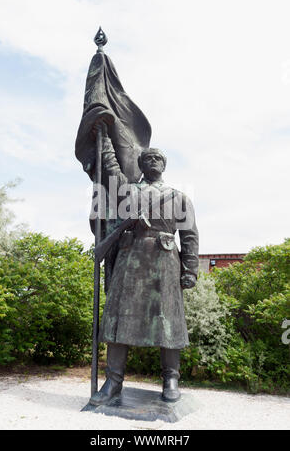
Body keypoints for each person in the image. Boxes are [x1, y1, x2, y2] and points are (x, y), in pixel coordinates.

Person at [90, 121, 199, 405]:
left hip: (164, 261)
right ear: (140, 164)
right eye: (148, 158)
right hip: (131, 257)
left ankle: (170, 379)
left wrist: (190, 271)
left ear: (164, 165)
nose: (153, 161)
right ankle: (113, 382)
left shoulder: (179, 197)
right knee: (117, 321)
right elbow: (111, 167)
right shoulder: (128, 191)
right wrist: (103, 138)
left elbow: (189, 237)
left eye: (158, 158)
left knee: (169, 324)